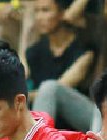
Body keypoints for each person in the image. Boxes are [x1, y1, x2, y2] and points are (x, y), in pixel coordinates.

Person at [27, 0, 99, 132]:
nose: (39, 17)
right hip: (49, 117)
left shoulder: (83, 48)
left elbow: (59, 88)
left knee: (49, 88)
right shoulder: (34, 51)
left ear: (62, 13)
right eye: (36, 11)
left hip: (84, 117)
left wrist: (20, 96)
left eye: (45, 10)